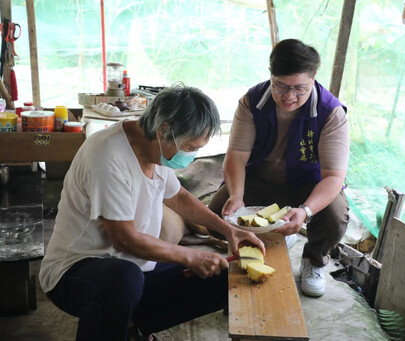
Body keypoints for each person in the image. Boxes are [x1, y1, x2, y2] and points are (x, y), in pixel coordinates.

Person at [39, 84, 265, 341]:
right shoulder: (107, 156)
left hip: (135, 268)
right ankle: (116, 326)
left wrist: (229, 230)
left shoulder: (156, 150)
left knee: (222, 277)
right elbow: (124, 239)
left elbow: (178, 197)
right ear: (164, 130)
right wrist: (189, 256)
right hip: (76, 270)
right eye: (190, 148)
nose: (192, 156)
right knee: (123, 280)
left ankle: (130, 325)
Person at [208, 39, 350, 298]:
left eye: (299, 89)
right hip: (259, 179)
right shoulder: (251, 102)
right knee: (216, 215)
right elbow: (236, 156)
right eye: (281, 87)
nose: (289, 97)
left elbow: (334, 177)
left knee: (334, 216)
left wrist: (305, 211)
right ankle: (259, 241)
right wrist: (237, 195)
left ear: (314, 77)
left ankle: (314, 261)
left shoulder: (331, 112)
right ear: (271, 75)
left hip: (306, 185)